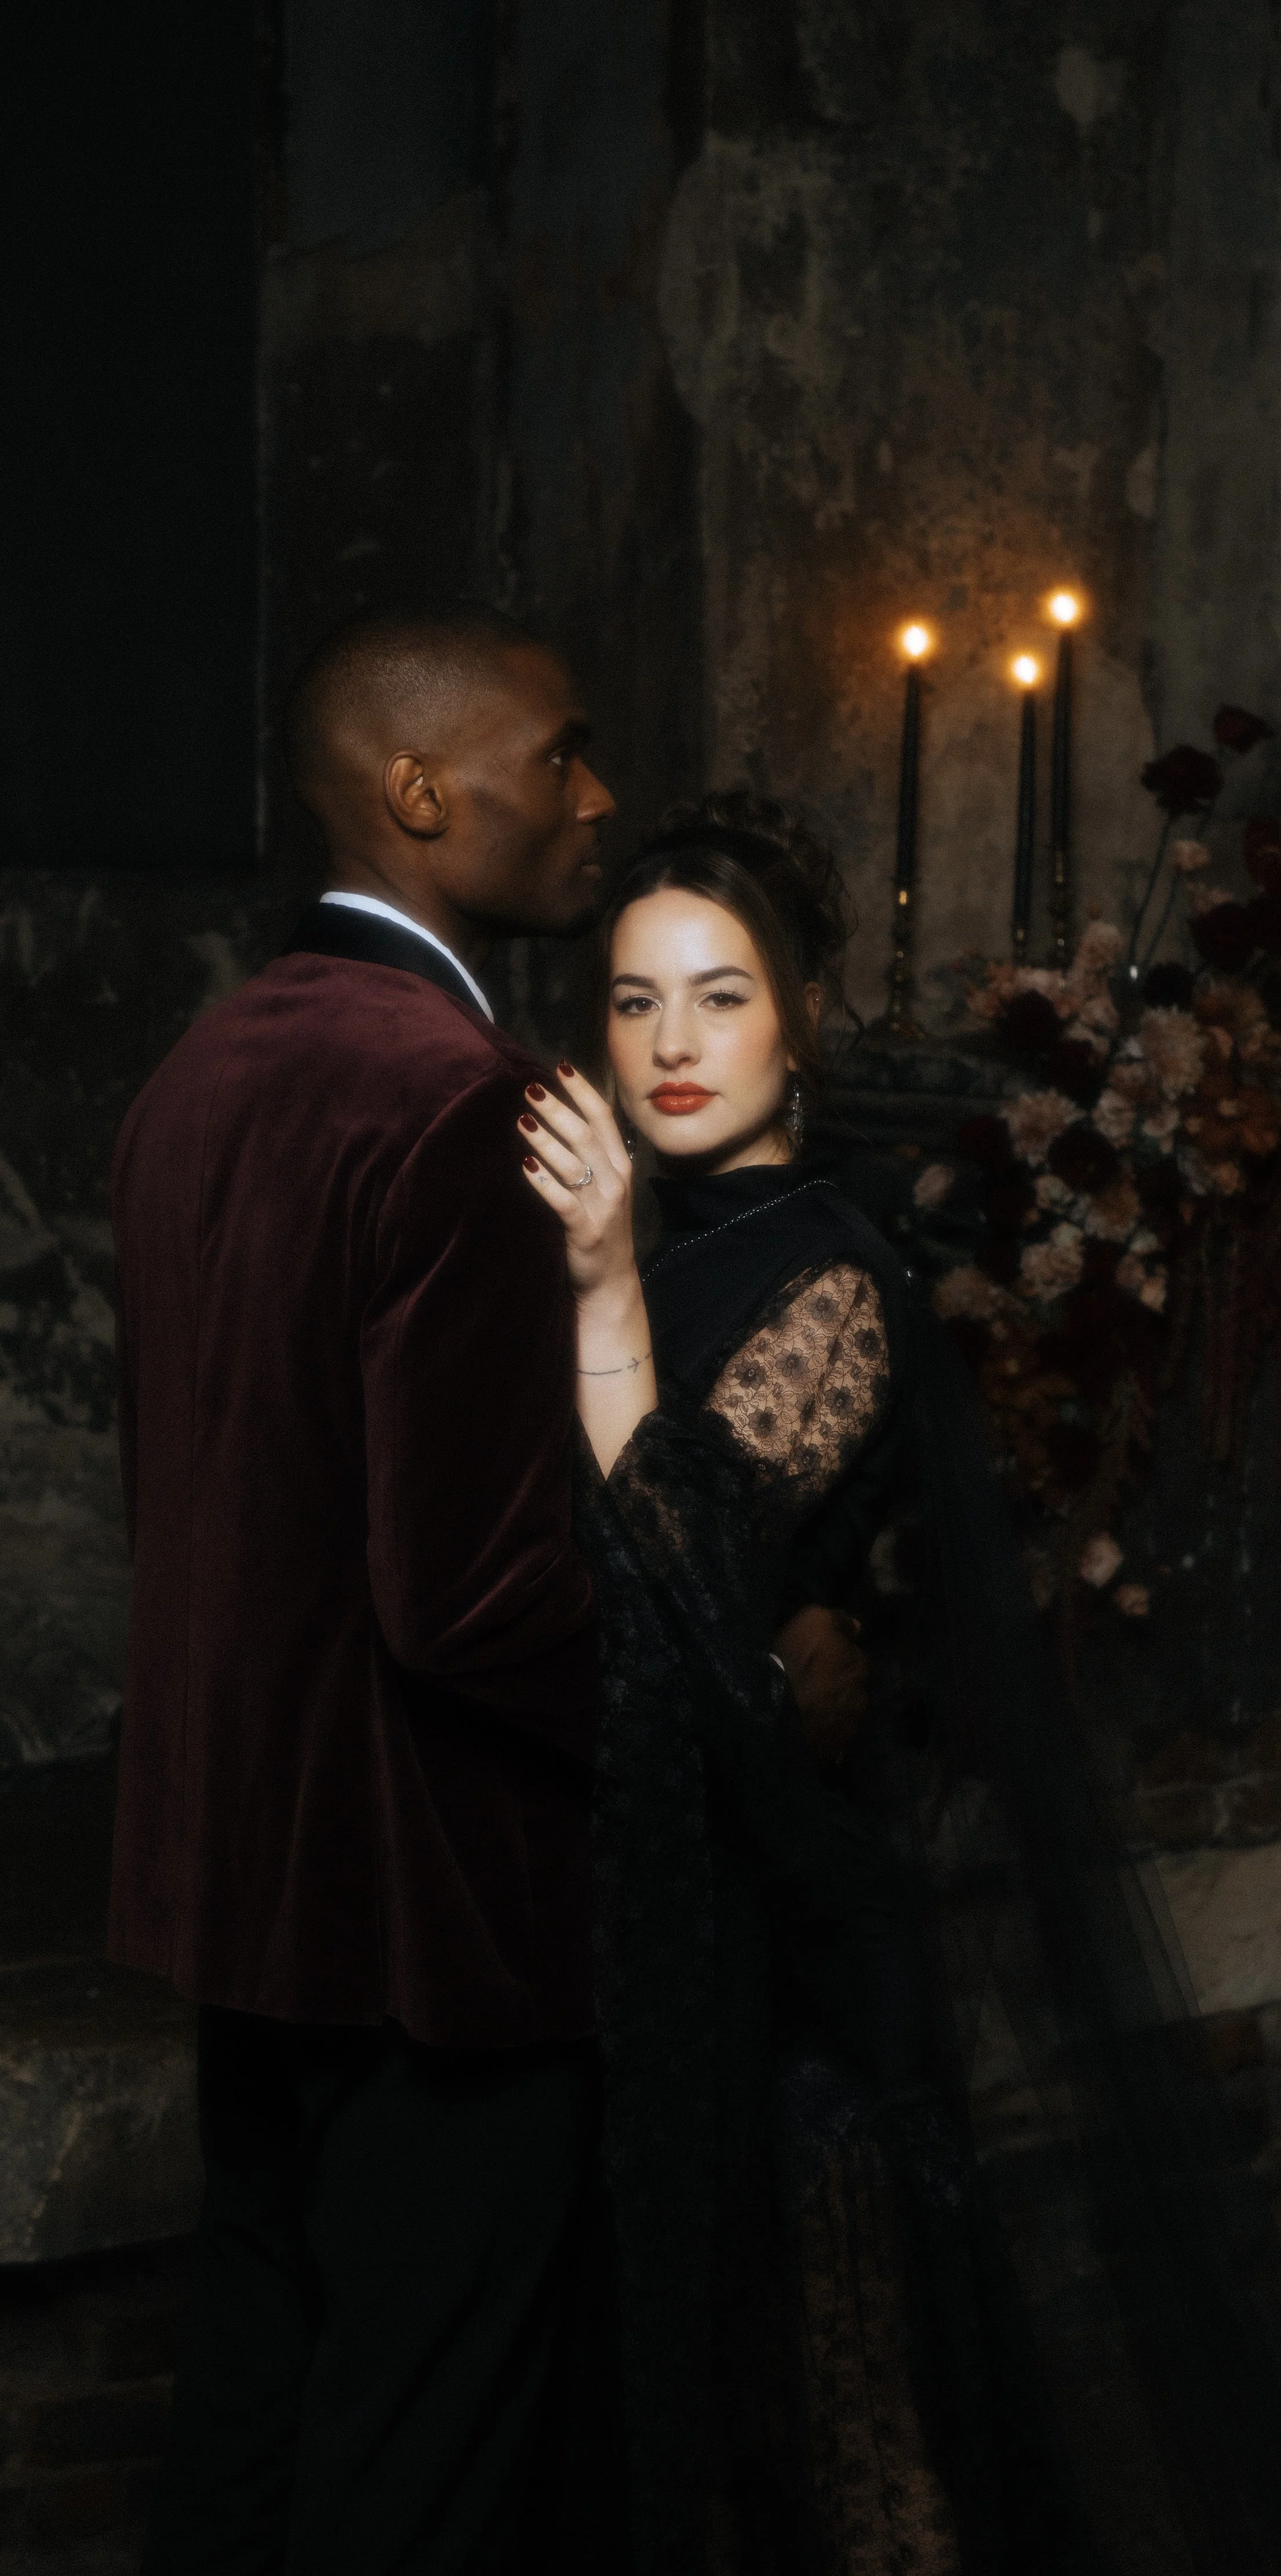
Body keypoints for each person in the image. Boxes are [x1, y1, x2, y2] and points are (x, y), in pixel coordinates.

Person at [520, 795, 1281, 2575]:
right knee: (680, 2436)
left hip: (785, 1944)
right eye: (632, 1004)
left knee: (852, 2415)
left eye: (719, 994)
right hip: (626, 1915)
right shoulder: (635, 1231)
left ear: (806, 1014)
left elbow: (678, 1568)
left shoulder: (832, 1276)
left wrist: (605, 1296)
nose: (672, 1046)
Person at [110, 606, 621, 2574]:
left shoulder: (204, 1064)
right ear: (416, 793)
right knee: (417, 2463)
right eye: (557, 754)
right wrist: (697, 1695)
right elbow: (474, 1597)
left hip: (246, 1894)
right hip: (431, 1921)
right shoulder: (451, 1093)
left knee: (251, 2396)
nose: (594, 796)